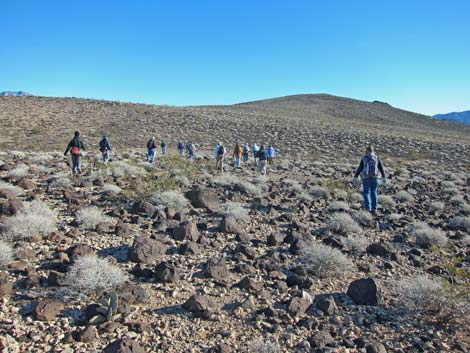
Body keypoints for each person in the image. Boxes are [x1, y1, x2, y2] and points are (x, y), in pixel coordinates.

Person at [352, 145, 386, 213]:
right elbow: (381, 168)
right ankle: (374, 208)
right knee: (374, 192)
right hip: (376, 178)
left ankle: (368, 208)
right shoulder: (377, 157)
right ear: (373, 151)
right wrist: (383, 176)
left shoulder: (364, 158)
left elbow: (360, 168)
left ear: (366, 151)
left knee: (367, 193)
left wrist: (356, 176)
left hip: (366, 178)